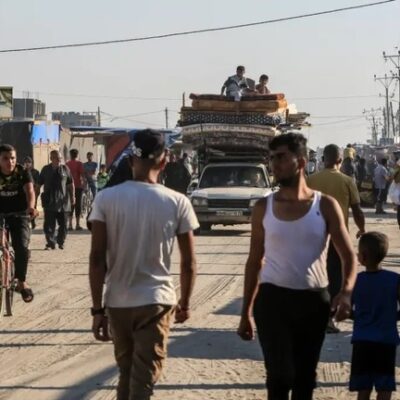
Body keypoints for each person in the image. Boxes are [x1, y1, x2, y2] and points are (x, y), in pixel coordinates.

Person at [237, 133, 357, 400]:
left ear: (301, 162)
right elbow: (254, 261)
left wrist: (346, 292)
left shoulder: (325, 205)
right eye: (271, 158)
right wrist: (246, 311)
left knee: (304, 378)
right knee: (279, 376)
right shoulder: (263, 207)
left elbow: (349, 255)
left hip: (313, 302)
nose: (274, 164)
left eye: (281, 157)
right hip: (273, 300)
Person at [89, 129, 199, 400]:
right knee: (143, 380)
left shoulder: (105, 199)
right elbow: (188, 262)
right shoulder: (178, 202)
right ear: (165, 161)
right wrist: (185, 303)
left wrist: (97, 309)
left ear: (130, 161)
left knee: (127, 372)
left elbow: (97, 258)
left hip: (118, 303)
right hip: (156, 302)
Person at [308, 144, 365, 333]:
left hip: (313, 237)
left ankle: (313, 317)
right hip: (337, 238)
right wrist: (362, 229)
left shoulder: (310, 180)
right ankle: (329, 319)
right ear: (340, 160)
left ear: (323, 160)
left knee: (313, 276)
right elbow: (357, 210)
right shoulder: (347, 181)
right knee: (334, 277)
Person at [349, 232, 399, 400]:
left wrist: (358, 317)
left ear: (362, 256)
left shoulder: (356, 280)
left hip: (362, 340)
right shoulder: (394, 280)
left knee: (363, 388)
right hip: (386, 340)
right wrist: (392, 317)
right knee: (384, 387)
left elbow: (345, 309)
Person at [0, 144, 36, 302]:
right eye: (5, 158)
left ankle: (21, 282)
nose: (10, 162)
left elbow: (30, 191)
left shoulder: (22, 172)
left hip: (19, 214)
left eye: (13, 158)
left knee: (21, 247)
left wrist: (31, 207)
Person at [39, 150, 75, 250]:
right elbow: (38, 184)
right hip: (49, 201)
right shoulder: (45, 169)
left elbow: (70, 184)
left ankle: (60, 241)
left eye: (60, 158)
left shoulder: (65, 169)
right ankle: (51, 242)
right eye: (56, 158)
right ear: (51, 159)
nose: (59, 160)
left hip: (63, 202)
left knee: (63, 224)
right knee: (49, 225)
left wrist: (73, 196)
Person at [66, 149, 85, 231]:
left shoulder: (67, 164)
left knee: (70, 205)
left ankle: (70, 225)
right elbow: (82, 175)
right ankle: (77, 224)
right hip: (78, 187)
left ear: (70, 155)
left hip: (68, 187)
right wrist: (84, 184)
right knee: (78, 205)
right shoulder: (79, 163)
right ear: (77, 155)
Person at [23, 156, 40, 229]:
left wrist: (36, 192)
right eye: (26, 162)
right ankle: (27, 222)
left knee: (33, 207)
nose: (27, 164)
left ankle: (32, 221)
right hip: (24, 193)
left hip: (33, 192)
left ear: (31, 163)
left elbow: (37, 182)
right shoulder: (22, 172)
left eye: (29, 162)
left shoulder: (35, 172)